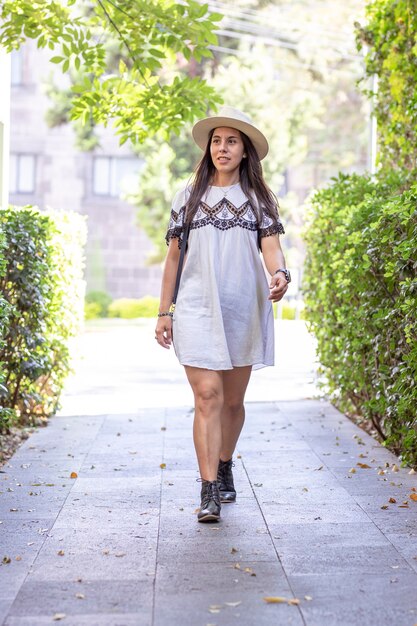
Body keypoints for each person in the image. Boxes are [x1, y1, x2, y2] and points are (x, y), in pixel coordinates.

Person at [155, 106, 289, 523]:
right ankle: (209, 487)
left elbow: (271, 248)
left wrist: (280, 273)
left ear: (245, 151)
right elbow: (173, 260)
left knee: (232, 401)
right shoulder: (188, 197)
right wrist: (164, 312)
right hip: (195, 307)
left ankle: (226, 461)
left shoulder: (258, 199)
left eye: (232, 141)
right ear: (208, 148)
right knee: (207, 396)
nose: (223, 148)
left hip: (242, 308)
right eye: (217, 140)